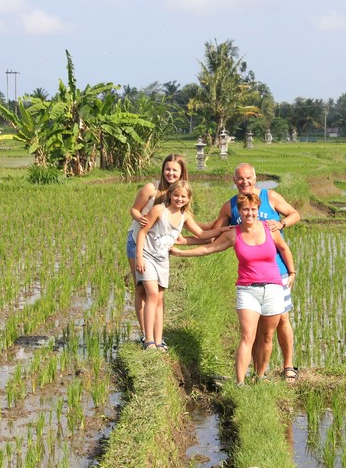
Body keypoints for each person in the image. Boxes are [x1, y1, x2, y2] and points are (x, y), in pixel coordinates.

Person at [171, 192, 296, 385]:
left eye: (253, 209)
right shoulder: (233, 234)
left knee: (267, 336)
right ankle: (239, 384)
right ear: (239, 211)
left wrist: (292, 272)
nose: (249, 213)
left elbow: (284, 248)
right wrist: (180, 252)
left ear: (258, 210)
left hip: (274, 288)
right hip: (248, 290)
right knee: (247, 336)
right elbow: (208, 248)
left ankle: (259, 377)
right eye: (245, 209)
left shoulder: (270, 229)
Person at [210, 163, 301, 382]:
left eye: (248, 177)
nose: (245, 182)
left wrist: (281, 224)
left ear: (255, 177)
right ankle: (258, 372)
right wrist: (183, 230)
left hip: (277, 270)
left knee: (282, 320)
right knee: (257, 329)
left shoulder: (270, 196)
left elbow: (295, 214)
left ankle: (288, 365)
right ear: (234, 181)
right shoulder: (231, 206)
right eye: (240, 179)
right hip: (252, 273)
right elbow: (214, 232)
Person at [136, 180, 228, 352]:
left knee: (160, 300)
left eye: (183, 196)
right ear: (170, 194)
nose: (179, 199)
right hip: (147, 256)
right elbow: (142, 232)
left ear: (188, 199)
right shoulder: (159, 209)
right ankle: (148, 340)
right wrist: (139, 257)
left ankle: (158, 340)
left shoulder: (184, 216)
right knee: (152, 295)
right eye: (176, 195)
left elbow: (201, 233)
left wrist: (223, 230)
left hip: (163, 260)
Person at [127, 154, 187, 344]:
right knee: (141, 290)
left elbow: (184, 221)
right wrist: (140, 219)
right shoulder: (151, 189)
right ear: (163, 170)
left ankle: (154, 336)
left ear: (181, 173)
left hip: (157, 246)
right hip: (138, 241)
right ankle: (147, 335)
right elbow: (134, 209)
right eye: (167, 169)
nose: (170, 173)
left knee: (155, 294)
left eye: (174, 170)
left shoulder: (180, 193)